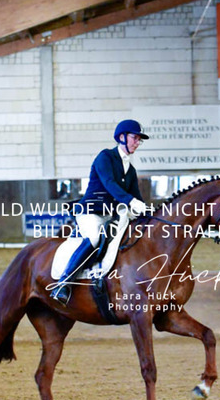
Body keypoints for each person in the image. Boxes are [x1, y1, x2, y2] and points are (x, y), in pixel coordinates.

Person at [51, 119, 150, 305]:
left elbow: (137, 196)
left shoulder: (130, 170)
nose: (137, 142)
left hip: (111, 215)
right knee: (95, 237)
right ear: (122, 137)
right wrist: (131, 202)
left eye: (139, 140)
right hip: (90, 212)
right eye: (135, 138)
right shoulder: (105, 157)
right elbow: (109, 184)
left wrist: (147, 211)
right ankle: (63, 284)